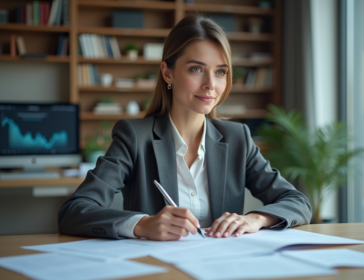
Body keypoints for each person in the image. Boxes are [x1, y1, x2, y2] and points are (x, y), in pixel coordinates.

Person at [58, 14, 312, 241]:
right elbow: (75, 210)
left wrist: (255, 219)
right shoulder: (134, 137)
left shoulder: (237, 139)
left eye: (220, 72)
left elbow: (297, 202)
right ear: (167, 74)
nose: (210, 84)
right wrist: (142, 225)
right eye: (196, 69)